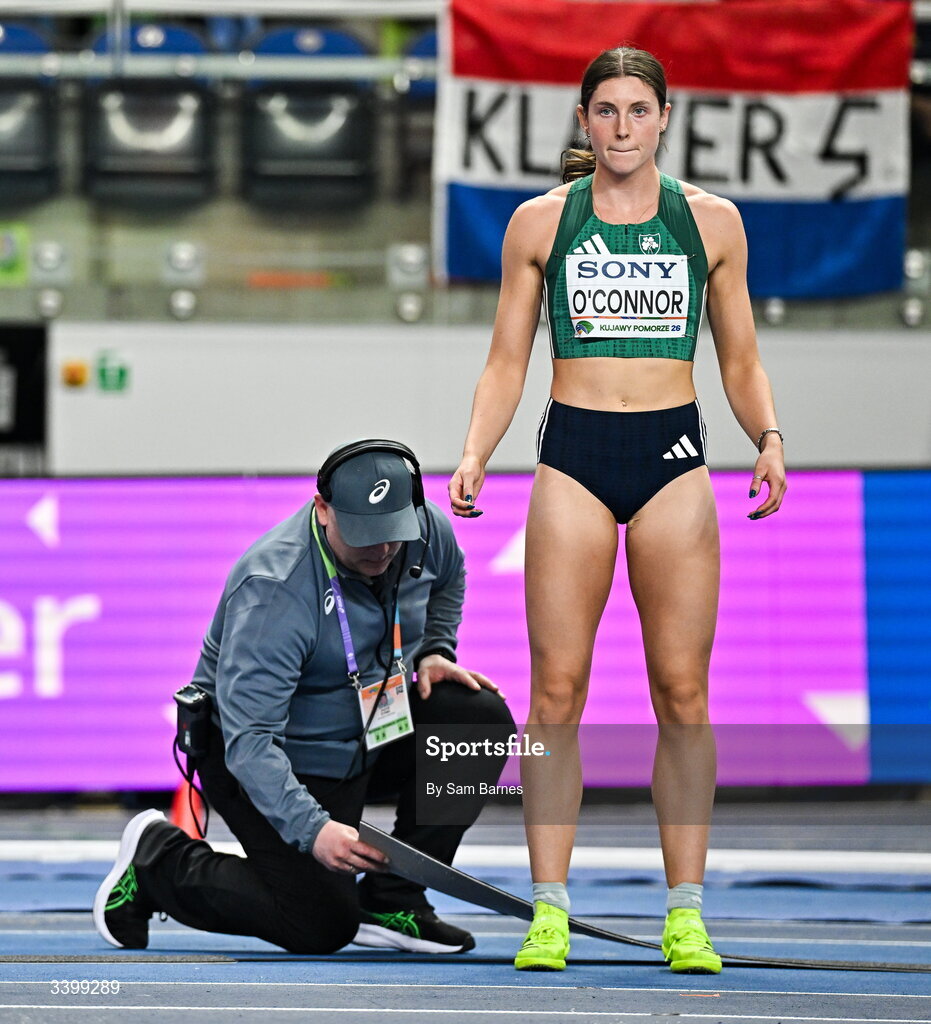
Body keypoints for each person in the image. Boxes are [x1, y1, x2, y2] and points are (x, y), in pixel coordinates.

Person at [449, 46, 786, 974]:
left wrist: (767, 435)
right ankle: (548, 909)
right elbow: (506, 360)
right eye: (606, 111)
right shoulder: (539, 224)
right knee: (555, 693)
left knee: (682, 693)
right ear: (584, 121)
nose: (623, 128)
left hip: (673, 459)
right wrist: (475, 450)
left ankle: (685, 912)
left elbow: (740, 356)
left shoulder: (711, 223)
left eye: (639, 110)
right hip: (574, 459)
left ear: (665, 117)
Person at [95, 439, 514, 955]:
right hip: (266, 757)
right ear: (323, 509)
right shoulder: (275, 588)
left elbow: (451, 577)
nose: (382, 551)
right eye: (364, 535)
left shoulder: (424, 532)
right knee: (319, 926)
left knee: (478, 720)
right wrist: (313, 829)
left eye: (392, 535)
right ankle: (159, 862)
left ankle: (393, 899)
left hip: (362, 733)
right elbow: (249, 743)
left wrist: (434, 649)